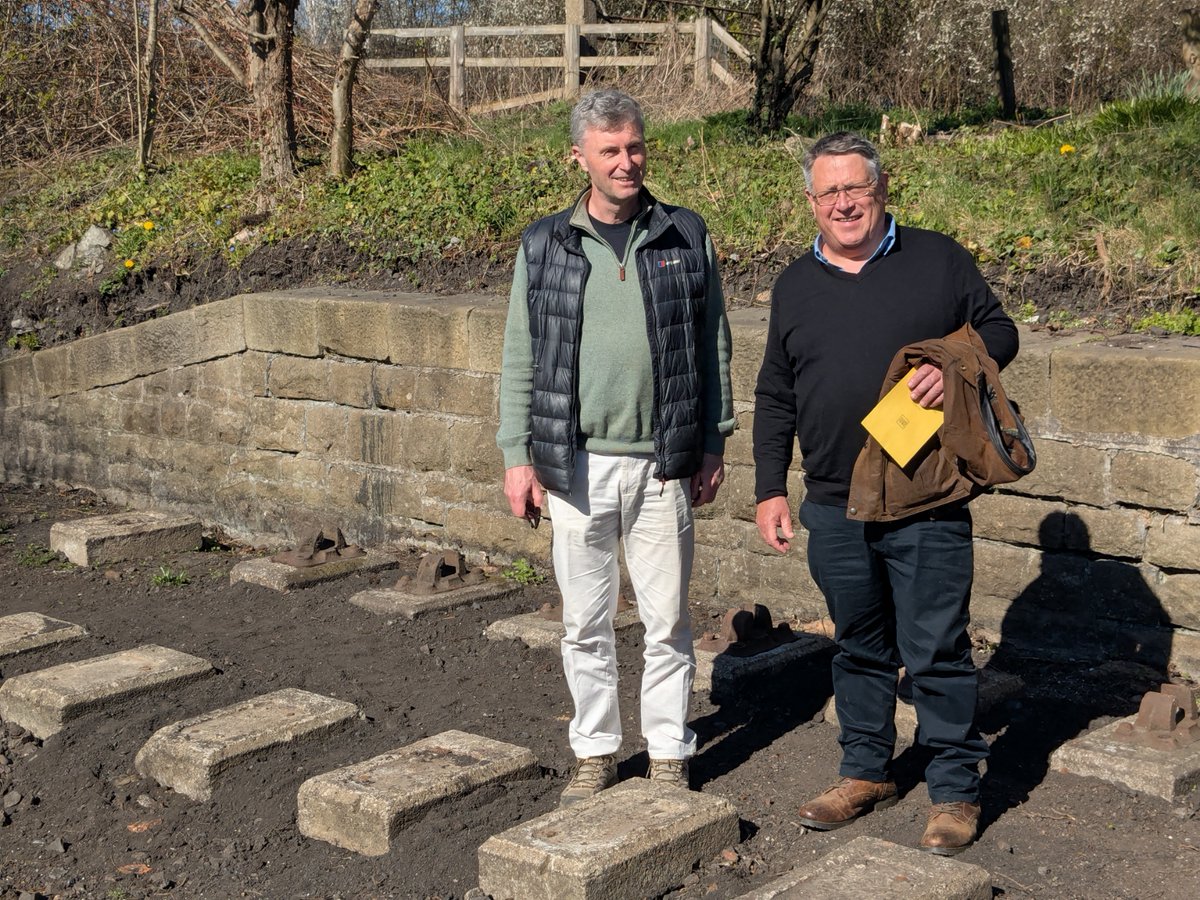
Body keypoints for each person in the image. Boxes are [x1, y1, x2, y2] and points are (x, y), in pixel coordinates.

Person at [752, 132, 1018, 854]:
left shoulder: (935, 258)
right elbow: (776, 393)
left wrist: (956, 363)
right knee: (860, 645)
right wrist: (769, 488)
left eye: (856, 189)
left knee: (935, 647)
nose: (844, 203)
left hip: (925, 494)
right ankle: (866, 771)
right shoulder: (794, 285)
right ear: (811, 201)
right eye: (829, 192)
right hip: (833, 499)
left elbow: (999, 327)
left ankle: (956, 787)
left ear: (881, 188)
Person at [496, 89, 735, 807]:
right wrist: (517, 454)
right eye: (610, 151)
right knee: (585, 622)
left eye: (635, 147)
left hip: (664, 463)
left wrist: (713, 440)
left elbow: (713, 345)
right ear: (580, 158)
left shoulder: (685, 235)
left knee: (667, 621)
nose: (627, 162)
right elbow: (520, 355)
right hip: (575, 466)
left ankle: (667, 753)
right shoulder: (545, 244)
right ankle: (596, 752)